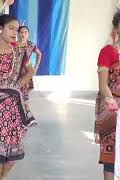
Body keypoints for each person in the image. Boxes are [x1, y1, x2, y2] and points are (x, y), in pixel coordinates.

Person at [0, 14, 35, 180]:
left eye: (17, 30)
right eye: (11, 29)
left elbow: (30, 72)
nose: (15, 33)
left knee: (13, 152)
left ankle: (3, 177)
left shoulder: (19, 50)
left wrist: (15, 87)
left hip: (15, 106)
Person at [95, 11, 120, 180]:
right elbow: (103, 85)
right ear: (117, 28)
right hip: (112, 109)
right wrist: (113, 105)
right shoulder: (108, 51)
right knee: (110, 157)